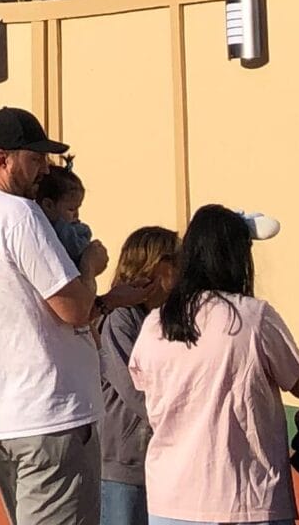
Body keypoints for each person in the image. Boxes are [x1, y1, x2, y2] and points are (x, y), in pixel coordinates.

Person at [0, 108, 118, 525]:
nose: (44, 168)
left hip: (0, 415)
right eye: (35, 157)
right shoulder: (20, 215)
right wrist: (91, 265)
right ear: (2, 158)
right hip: (51, 415)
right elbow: (74, 309)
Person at [127, 203, 299, 525]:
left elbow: (141, 382)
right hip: (247, 498)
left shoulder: (156, 323)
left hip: (170, 498)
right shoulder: (254, 317)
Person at [96, 225, 180, 525]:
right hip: (123, 466)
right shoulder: (121, 318)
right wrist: (180, 423)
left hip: (157, 462)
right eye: (176, 261)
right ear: (155, 266)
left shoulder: (166, 319)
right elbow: (135, 387)